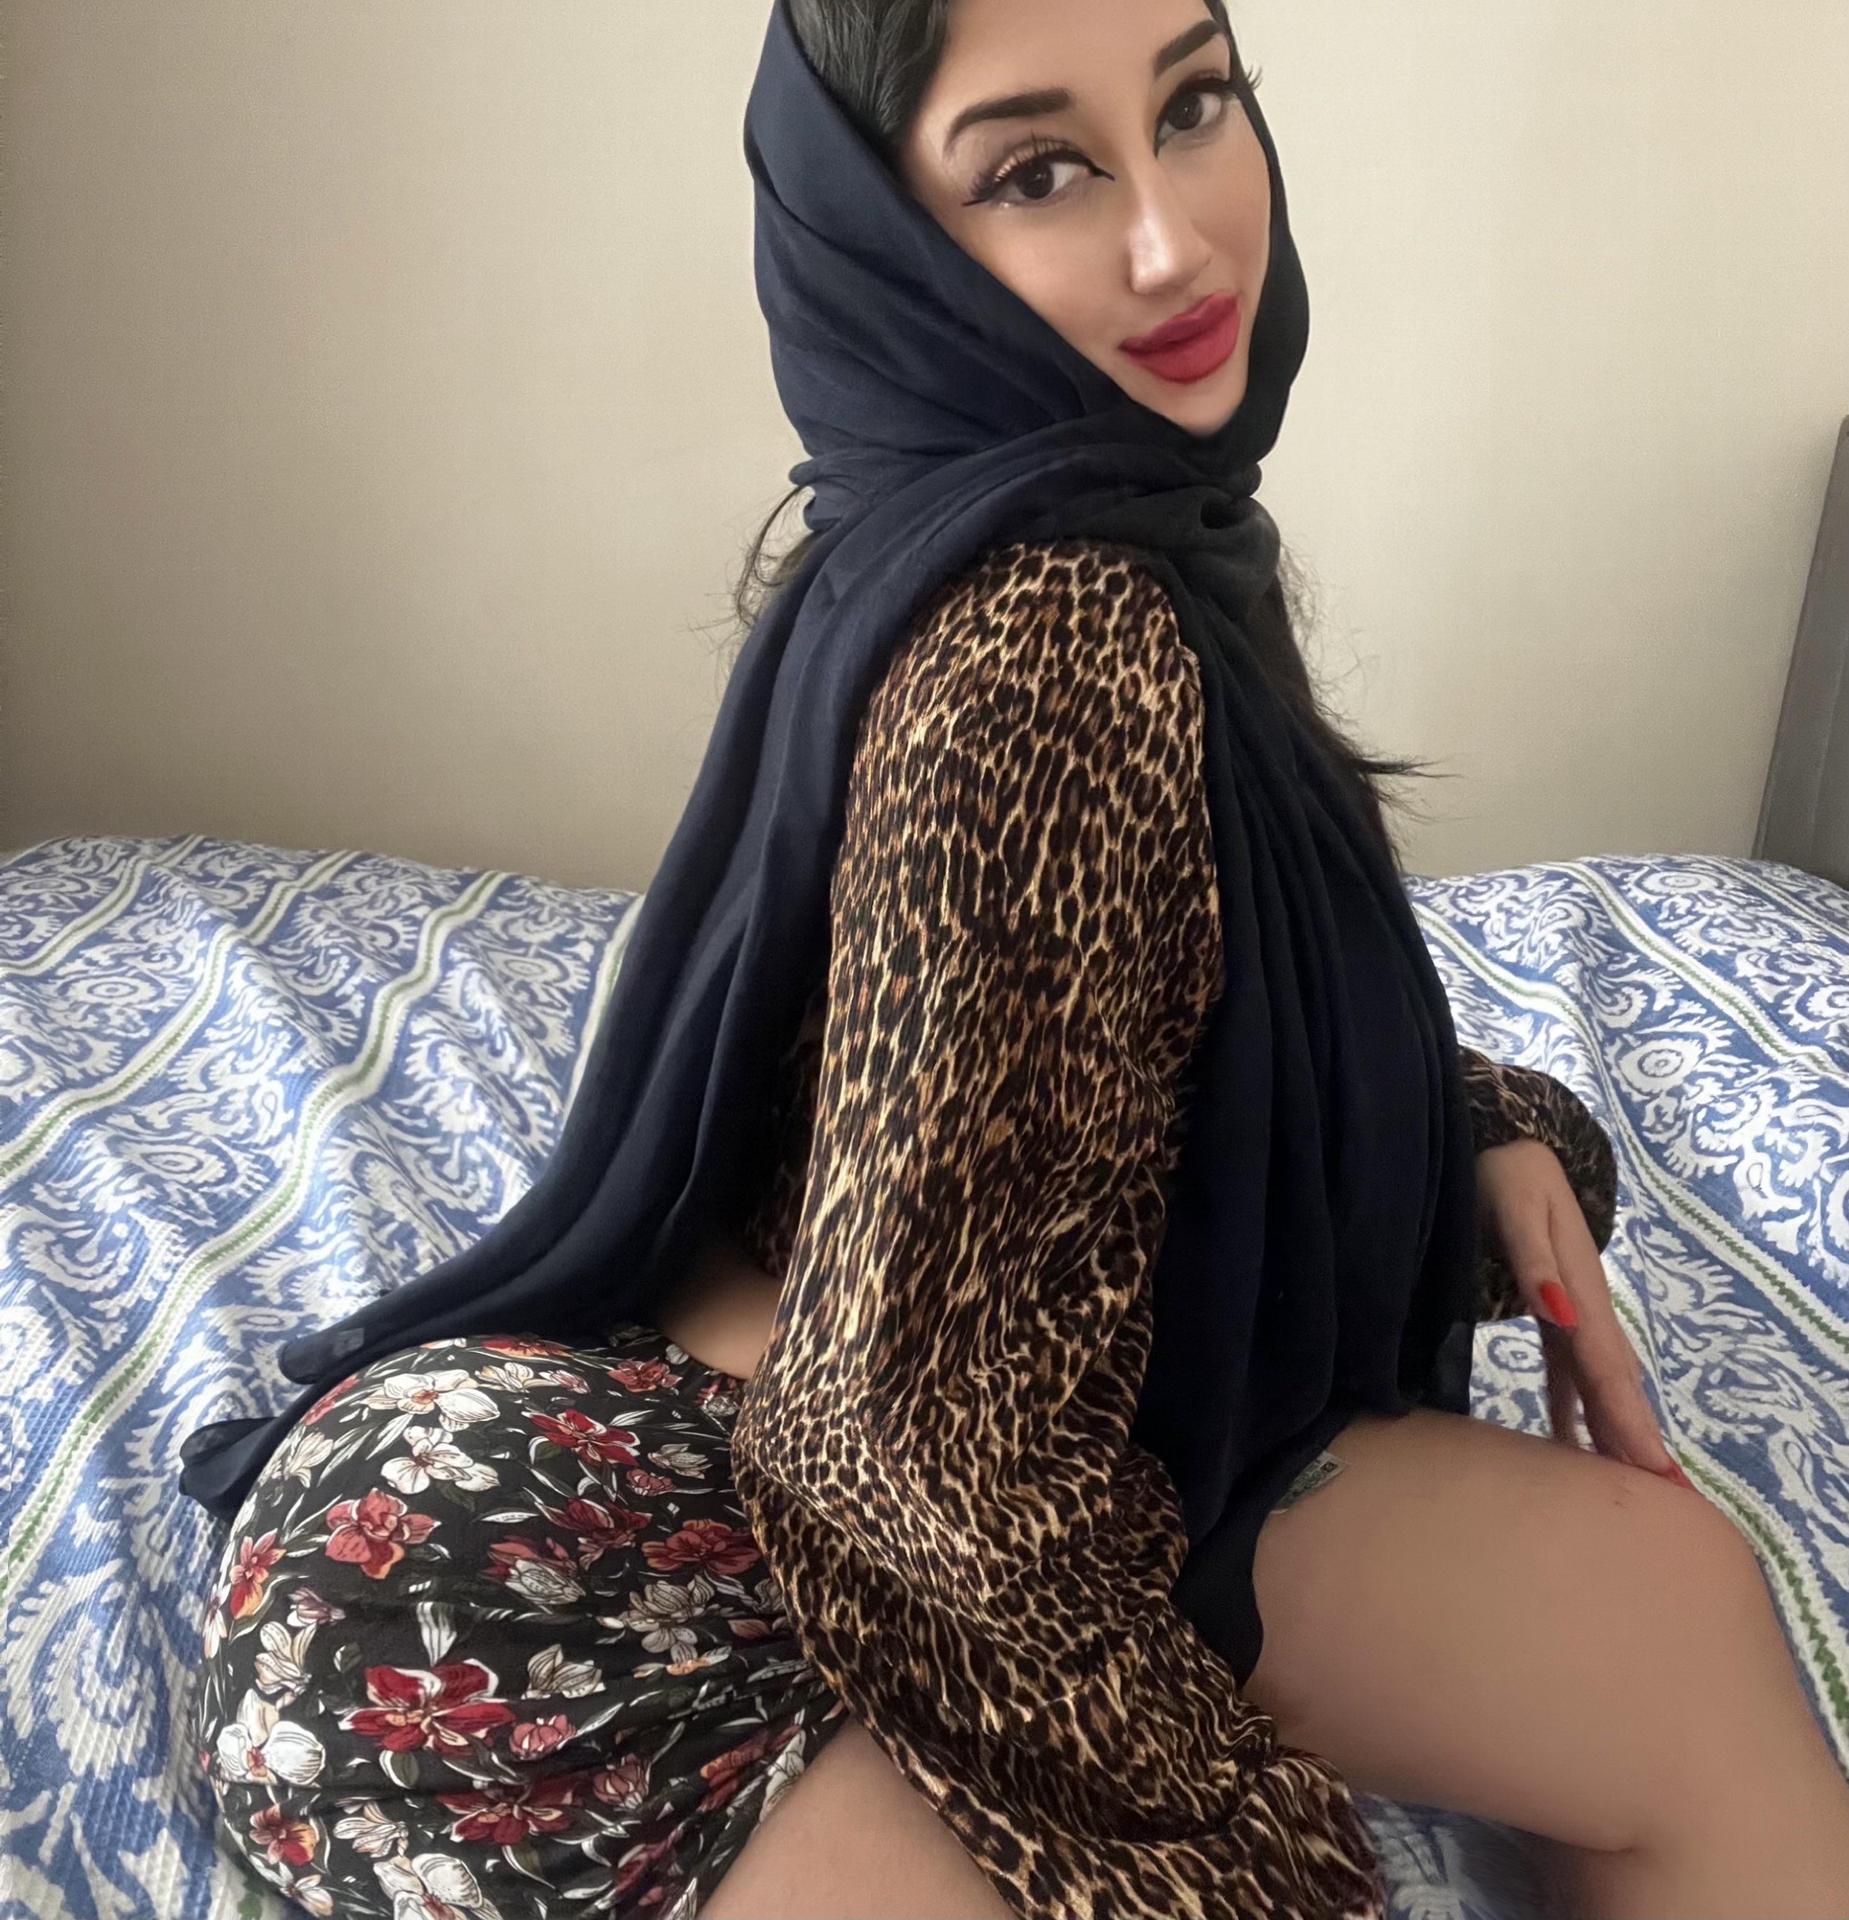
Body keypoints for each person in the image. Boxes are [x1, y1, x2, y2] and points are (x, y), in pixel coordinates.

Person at [186, 0, 1849, 1915]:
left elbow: (1114, 1030)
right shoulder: (1054, 640)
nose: (1174, 238)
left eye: (1193, 102)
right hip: (563, 1598)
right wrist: (1236, 1863)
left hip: (859, 1414)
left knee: (1670, 1613)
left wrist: (1475, 1131)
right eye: (1039, 170)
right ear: (884, 235)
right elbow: (914, 1461)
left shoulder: (1053, 525)